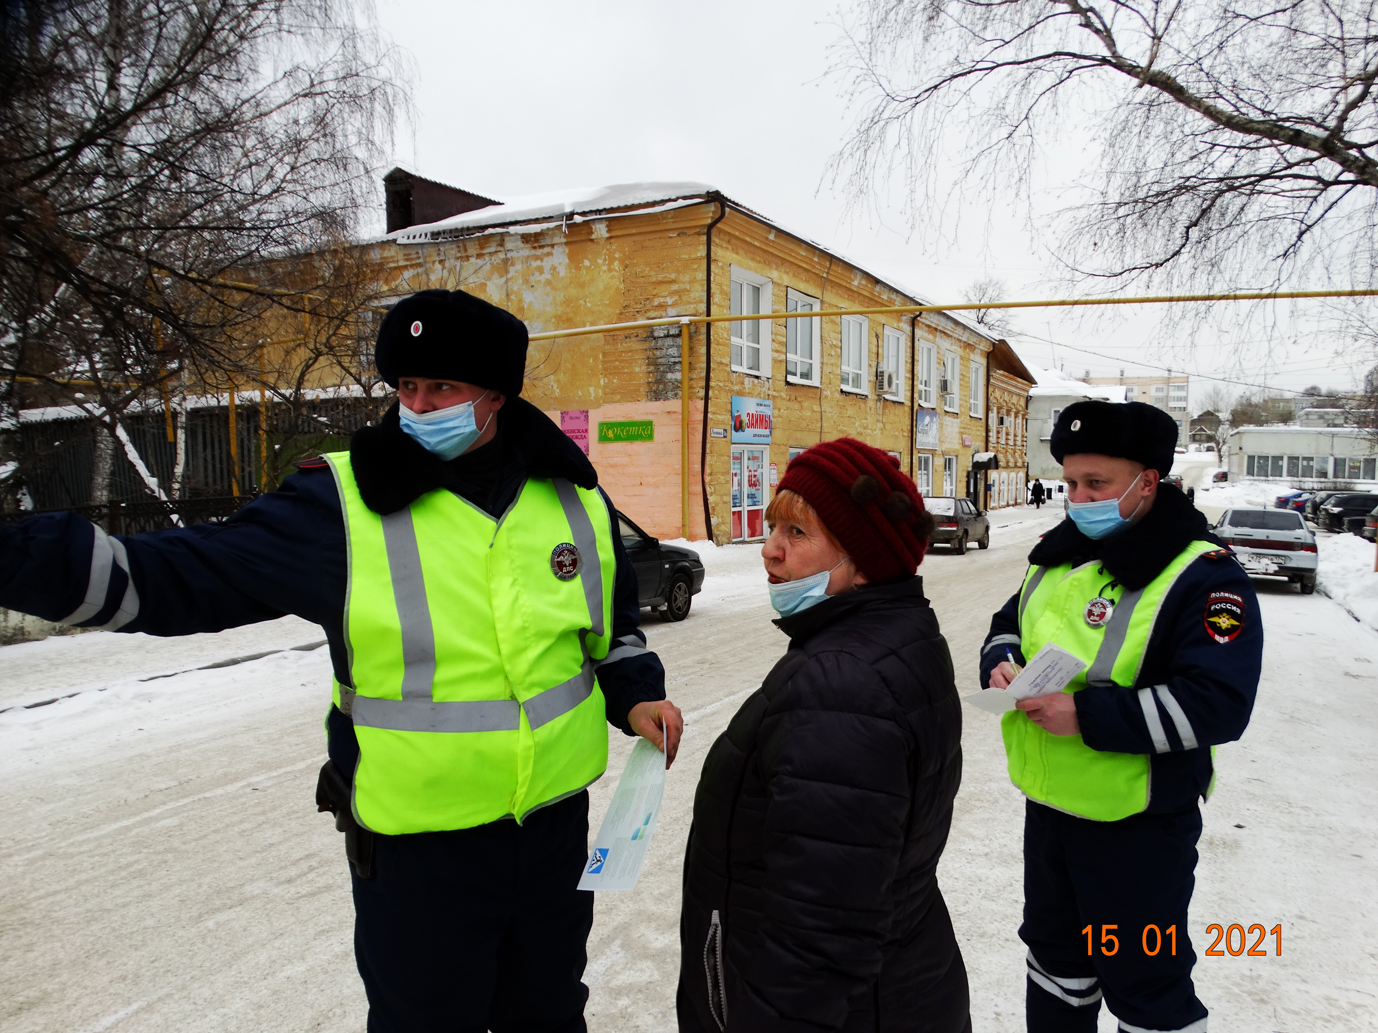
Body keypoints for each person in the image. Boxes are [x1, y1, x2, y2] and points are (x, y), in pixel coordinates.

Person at [0, 288, 684, 1033]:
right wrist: (22, 559)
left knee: (551, 1017)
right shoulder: (342, 503)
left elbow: (609, 633)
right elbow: (182, 574)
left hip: (553, 838)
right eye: (406, 388)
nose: (419, 407)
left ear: (495, 394)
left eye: (442, 388)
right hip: (418, 856)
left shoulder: (572, 496)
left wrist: (635, 694)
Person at [978, 400, 1261, 1033]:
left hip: (1136, 829)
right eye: (1070, 484)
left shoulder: (1203, 576)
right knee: (1056, 964)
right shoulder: (1059, 554)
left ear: (1147, 482)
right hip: (1050, 811)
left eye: (1096, 484)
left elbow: (1219, 703)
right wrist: (1001, 660)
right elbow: (1007, 624)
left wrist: (1085, 714)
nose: (1078, 499)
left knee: (1144, 987)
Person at [678, 438, 971, 1033]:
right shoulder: (895, 636)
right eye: (772, 526)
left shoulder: (841, 683)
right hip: (900, 988)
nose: (770, 551)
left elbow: (819, 929)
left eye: (797, 534)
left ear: (863, 560)